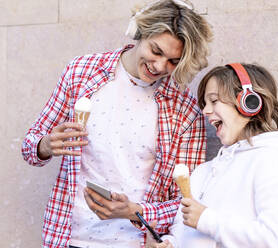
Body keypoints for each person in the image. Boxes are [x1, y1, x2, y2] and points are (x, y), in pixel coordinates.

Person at [21, 0, 213, 247]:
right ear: (139, 32)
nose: (160, 66)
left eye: (173, 61)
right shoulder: (81, 72)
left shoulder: (185, 110)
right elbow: (30, 146)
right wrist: (46, 145)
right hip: (68, 237)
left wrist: (133, 211)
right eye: (156, 51)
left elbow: (187, 202)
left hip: (135, 242)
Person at [146, 63, 278, 248]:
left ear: (249, 102)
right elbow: (187, 233)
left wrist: (207, 219)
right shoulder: (203, 172)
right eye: (205, 104)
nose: (205, 111)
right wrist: (170, 243)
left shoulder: (270, 160)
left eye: (214, 101)